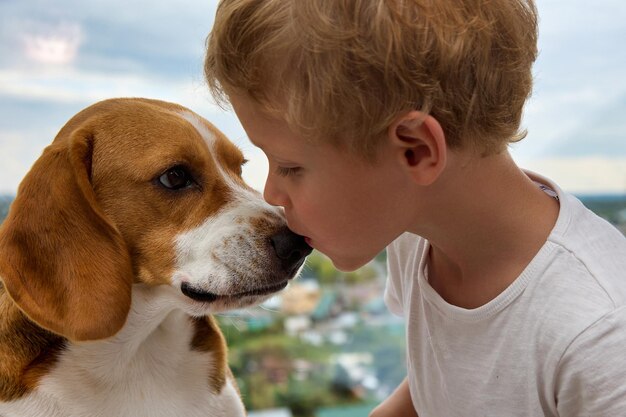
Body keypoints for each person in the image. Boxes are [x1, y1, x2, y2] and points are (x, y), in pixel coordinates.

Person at [203, 1, 626, 415]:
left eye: (290, 166)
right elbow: (448, 382)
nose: (272, 193)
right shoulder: (414, 233)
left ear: (416, 152)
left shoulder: (600, 338)